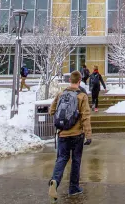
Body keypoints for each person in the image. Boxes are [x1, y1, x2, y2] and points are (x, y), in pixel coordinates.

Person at [48, 70, 92, 199]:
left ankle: (55, 181)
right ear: (79, 81)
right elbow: (85, 117)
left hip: (62, 134)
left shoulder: (61, 94)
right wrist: (88, 135)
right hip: (77, 134)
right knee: (76, 160)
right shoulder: (82, 96)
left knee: (61, 158)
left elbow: (51, 111)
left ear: (69, 81)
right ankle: (73, 188)